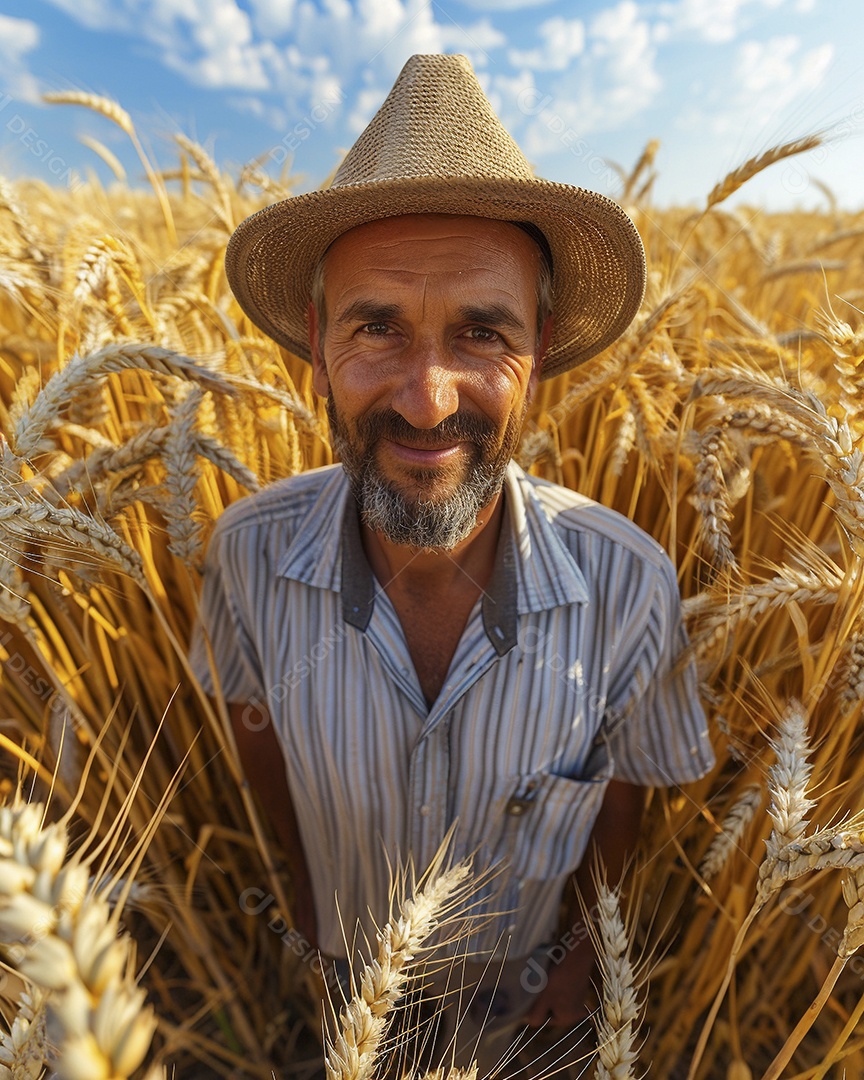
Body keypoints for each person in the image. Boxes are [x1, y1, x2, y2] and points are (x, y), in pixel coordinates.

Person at [190, 53, 713, 1072]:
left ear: (543, 347)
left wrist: (583, 954)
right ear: (314, 339)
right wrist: (301, 890)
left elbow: (629, 793)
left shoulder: (628, 584)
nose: (428, 400)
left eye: (482, 332)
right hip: (339, 988)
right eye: (376, 327)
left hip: (528, 1008)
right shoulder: (245, 553)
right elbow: (252, 727)